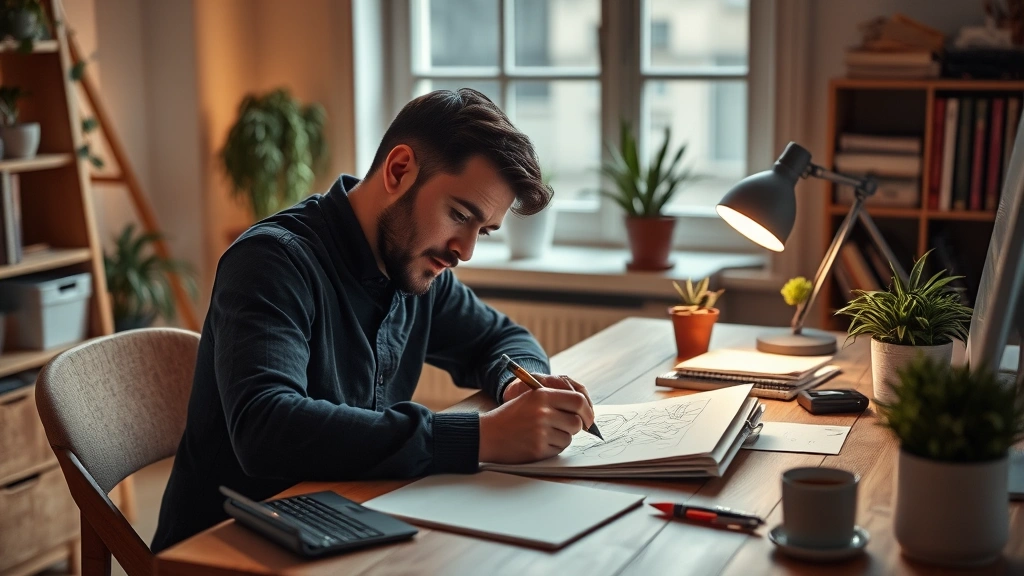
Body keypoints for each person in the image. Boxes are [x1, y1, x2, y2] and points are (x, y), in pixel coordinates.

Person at [151, 88, 597, 551]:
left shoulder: (416, 266)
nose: (464, 249)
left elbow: (501, 338)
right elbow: (267, 427)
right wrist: (479, 436)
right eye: (459, 215)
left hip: (348, 522)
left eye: (481, 230)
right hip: (226, 550)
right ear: (399, 170)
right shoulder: (271, 262)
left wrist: (519, 382)